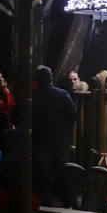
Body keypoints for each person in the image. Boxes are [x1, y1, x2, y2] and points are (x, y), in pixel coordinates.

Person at [31, 65, 76, 205]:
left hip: (40, 142)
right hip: (60, 142)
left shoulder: (33, 96)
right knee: (62, 174)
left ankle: (46, 203)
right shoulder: (63, 94)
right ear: (51, 78)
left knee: (43, 177)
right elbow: (72, 116)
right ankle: (70, 203)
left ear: (37, 79)